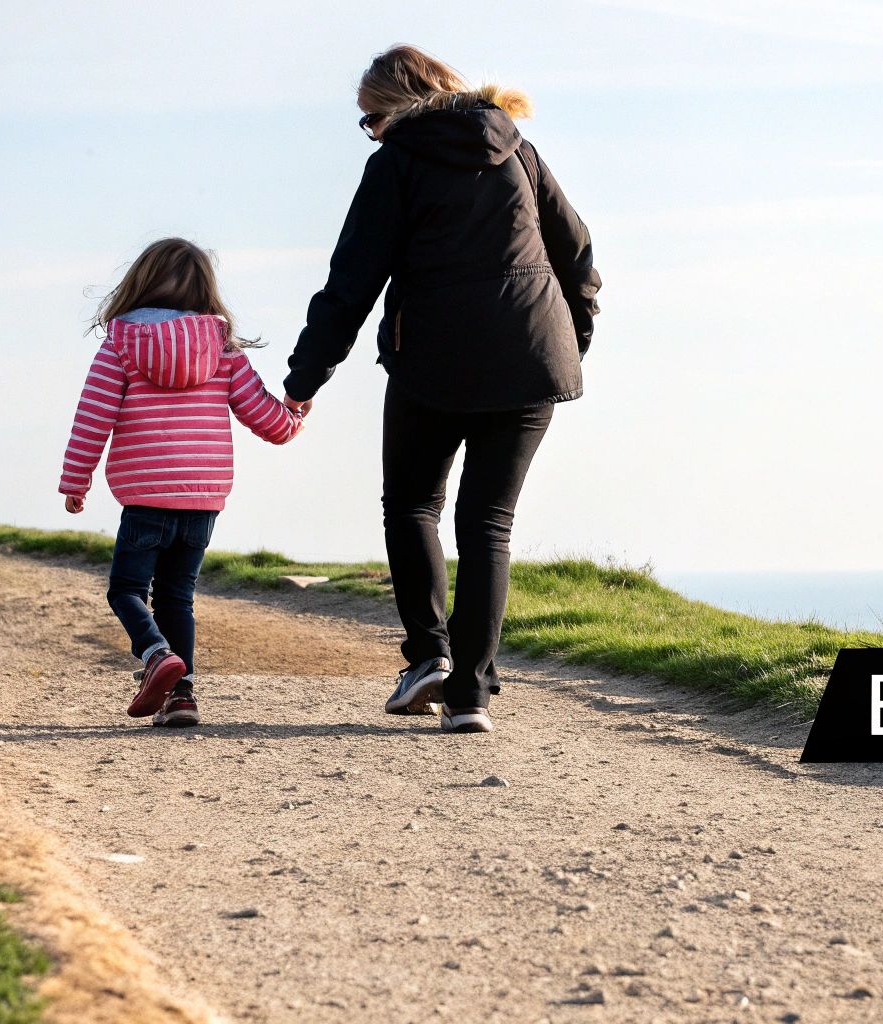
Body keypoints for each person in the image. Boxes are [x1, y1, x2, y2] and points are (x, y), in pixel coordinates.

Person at [281, 45, 601, 734]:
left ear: (392, 107)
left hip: (434, 362)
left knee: (413, 505)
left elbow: (351, 285)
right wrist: (572, 338)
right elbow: (576, 251)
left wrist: (305, 377)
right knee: (489, 525)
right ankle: (472, 694)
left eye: (370, 119)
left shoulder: (396, 163)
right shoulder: (520, 151)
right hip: (530, 361)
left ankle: (428, 657)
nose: (371, 132)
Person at [60, 238, 304, 727]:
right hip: (202, 497)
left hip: (145, 494)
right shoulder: (223, 348)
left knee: (127, 590)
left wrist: (75, 480)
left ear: (140, 284)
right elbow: (266, 419)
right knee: (177, 596)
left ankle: (155, 655)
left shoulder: (122, 345)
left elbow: (93, 417)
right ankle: (182, 697)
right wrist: (294, 414)